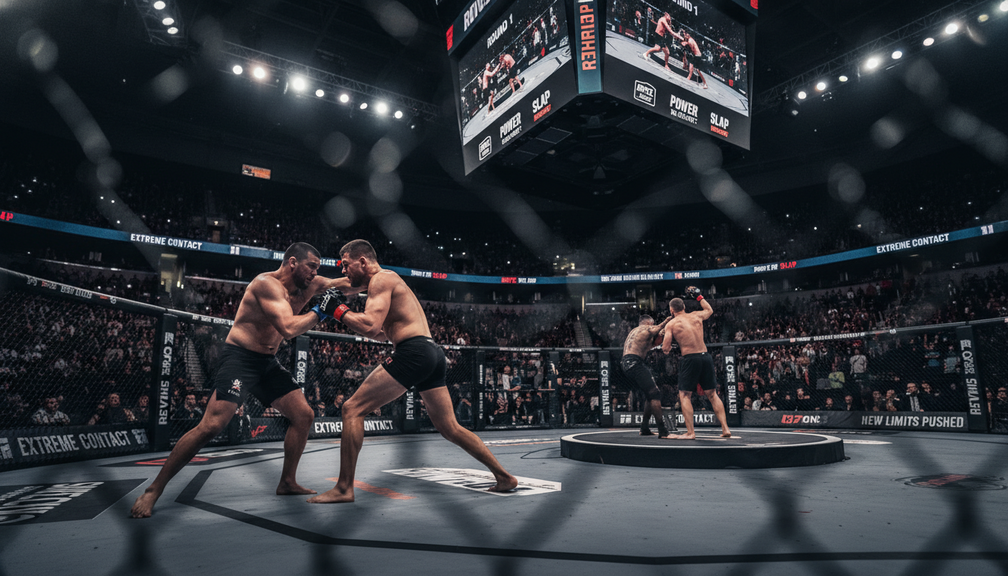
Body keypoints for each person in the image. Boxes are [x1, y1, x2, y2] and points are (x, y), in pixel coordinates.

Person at [131, 242, 358, 518]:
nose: (315, 273)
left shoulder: (311, 284)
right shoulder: (266, 285)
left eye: (317, 268)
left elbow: (349, 284)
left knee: (303, 415)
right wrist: (321, 311)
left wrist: (376, 276)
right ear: (292, 263)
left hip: (267, 362)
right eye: (311, 266)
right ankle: (153, 489)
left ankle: (287, 482)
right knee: (212, 425)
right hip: (240, 358)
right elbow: (288, 328)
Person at [309, 239, 517, 503]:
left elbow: (370, 326)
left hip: (414, 353)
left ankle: (343, 488)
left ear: (362, 261)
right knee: (450, 427)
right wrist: (335, 304)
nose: (343, 270)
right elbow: (380, 333)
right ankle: (504, 477)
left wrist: (338, 310)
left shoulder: (381, 279)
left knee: (352, 409)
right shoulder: (387, 283)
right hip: (431, 353)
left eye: (346, 264)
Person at [662, 286, 731, 439]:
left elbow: (665, 349)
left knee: (685, 395)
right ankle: (725, 429)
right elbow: (709, 310)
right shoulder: (696, 315)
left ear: (671, 310)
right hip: (705, 356)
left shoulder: (671, 324)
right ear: (684, 307)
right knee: (712, 394)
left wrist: (671, 344)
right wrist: (699, 297)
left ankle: (690, 432)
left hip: (690, 359)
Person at [620, 314, 675, 437]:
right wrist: (667, 321)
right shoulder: (644, 328)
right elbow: (657, 328)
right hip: (634, 363)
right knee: (655, 393)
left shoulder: (635, 332)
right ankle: (662, 430)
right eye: (652, 324)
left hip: (626, 363)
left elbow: (651, 346)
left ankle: (644, 428)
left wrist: (661, 336)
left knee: (650, 395)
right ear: (648, 323)